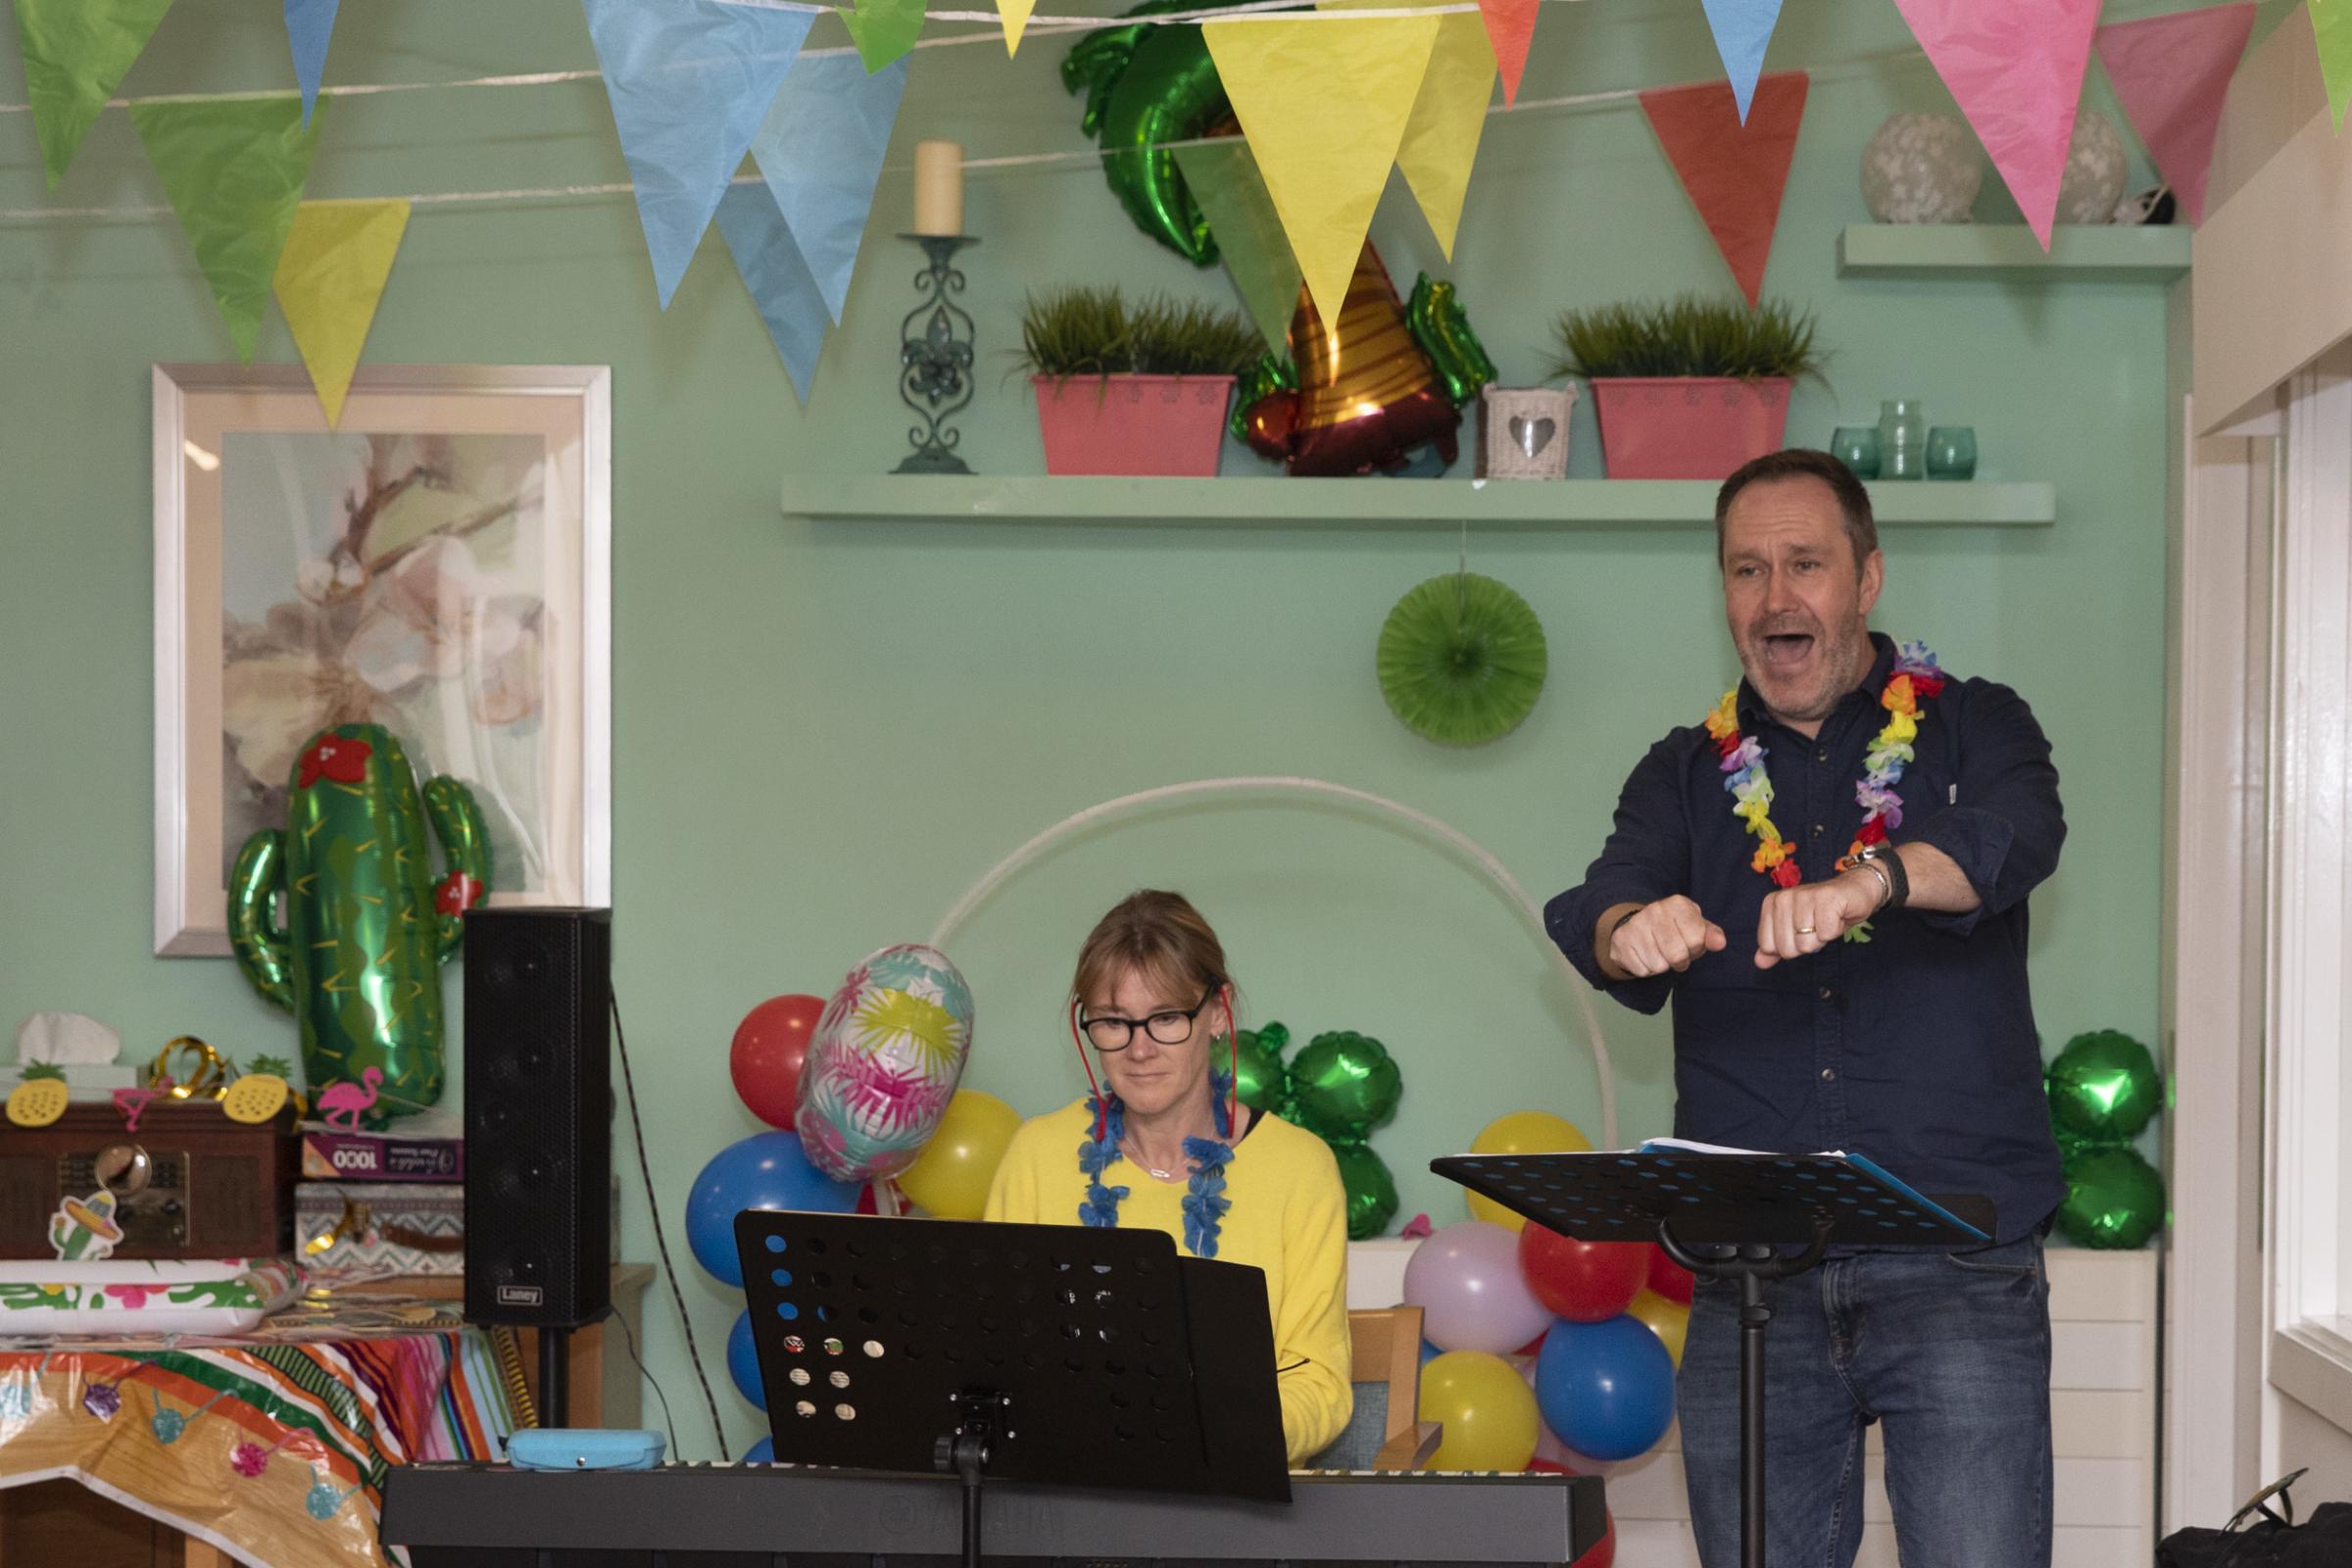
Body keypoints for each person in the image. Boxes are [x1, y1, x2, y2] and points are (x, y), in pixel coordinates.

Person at [1544, 449, 2066, 1568]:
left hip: (1959, 1264)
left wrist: (1871, 879)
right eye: (1746, 569)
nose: (1775, 597)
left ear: (1867, 579)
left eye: (1805, 563)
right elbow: (1600, 895)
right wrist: (1623, 928)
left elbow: (2017, 837)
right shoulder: (1686, 774)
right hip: (1752, 1285)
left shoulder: (1976, 727)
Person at [984, 890, 1352, 1464]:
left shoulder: (1300, 1168)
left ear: (1217, 1011)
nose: (1139, 1049)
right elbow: (997, 1358)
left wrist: (1202, 1436)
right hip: (1071, 1497)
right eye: (1112, 1022)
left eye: (1165, 1018)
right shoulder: (1035, 1155)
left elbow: (1319, 1385)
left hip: (1233, 1503)